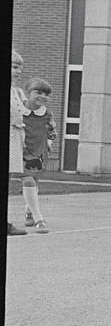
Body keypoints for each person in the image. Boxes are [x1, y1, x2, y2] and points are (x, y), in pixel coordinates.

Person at [19, 78, 56, 234]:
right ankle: (38, 218)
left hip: (39, 151)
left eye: (46, 94)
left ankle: (29, 211)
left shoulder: (46, 114)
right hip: (21, 150)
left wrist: (49, 143)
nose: (43, 96)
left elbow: (52, 132)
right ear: (28, 93)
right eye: (38, 92)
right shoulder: (18, 110)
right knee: (27, 180)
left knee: (34, 181)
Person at [9, 50, 30, 236]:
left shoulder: (17, 92)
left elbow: (25, 112)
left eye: (20, 68)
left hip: (15, 137)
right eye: (15, 67)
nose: (18, 71)